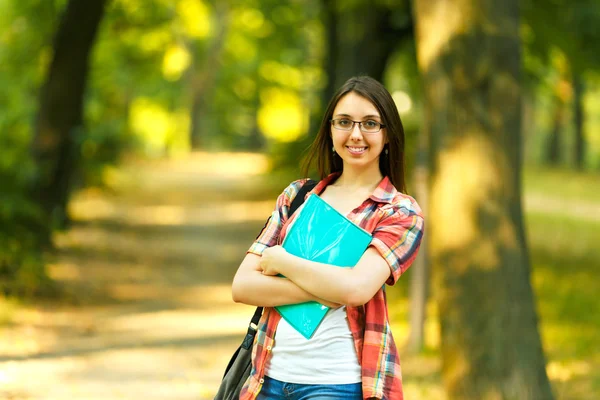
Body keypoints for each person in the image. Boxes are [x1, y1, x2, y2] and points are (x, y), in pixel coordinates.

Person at [231, 76, 424, 400]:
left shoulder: (398, 212)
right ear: (331, 130)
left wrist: (283, 261)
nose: (356, 134)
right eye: (344, 122)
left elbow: (356, 289)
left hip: (336, 383)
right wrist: (328, 292)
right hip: (267, 377)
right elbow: (243, 286)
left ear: (388, 133)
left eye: (370, 123)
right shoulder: (298, 196)